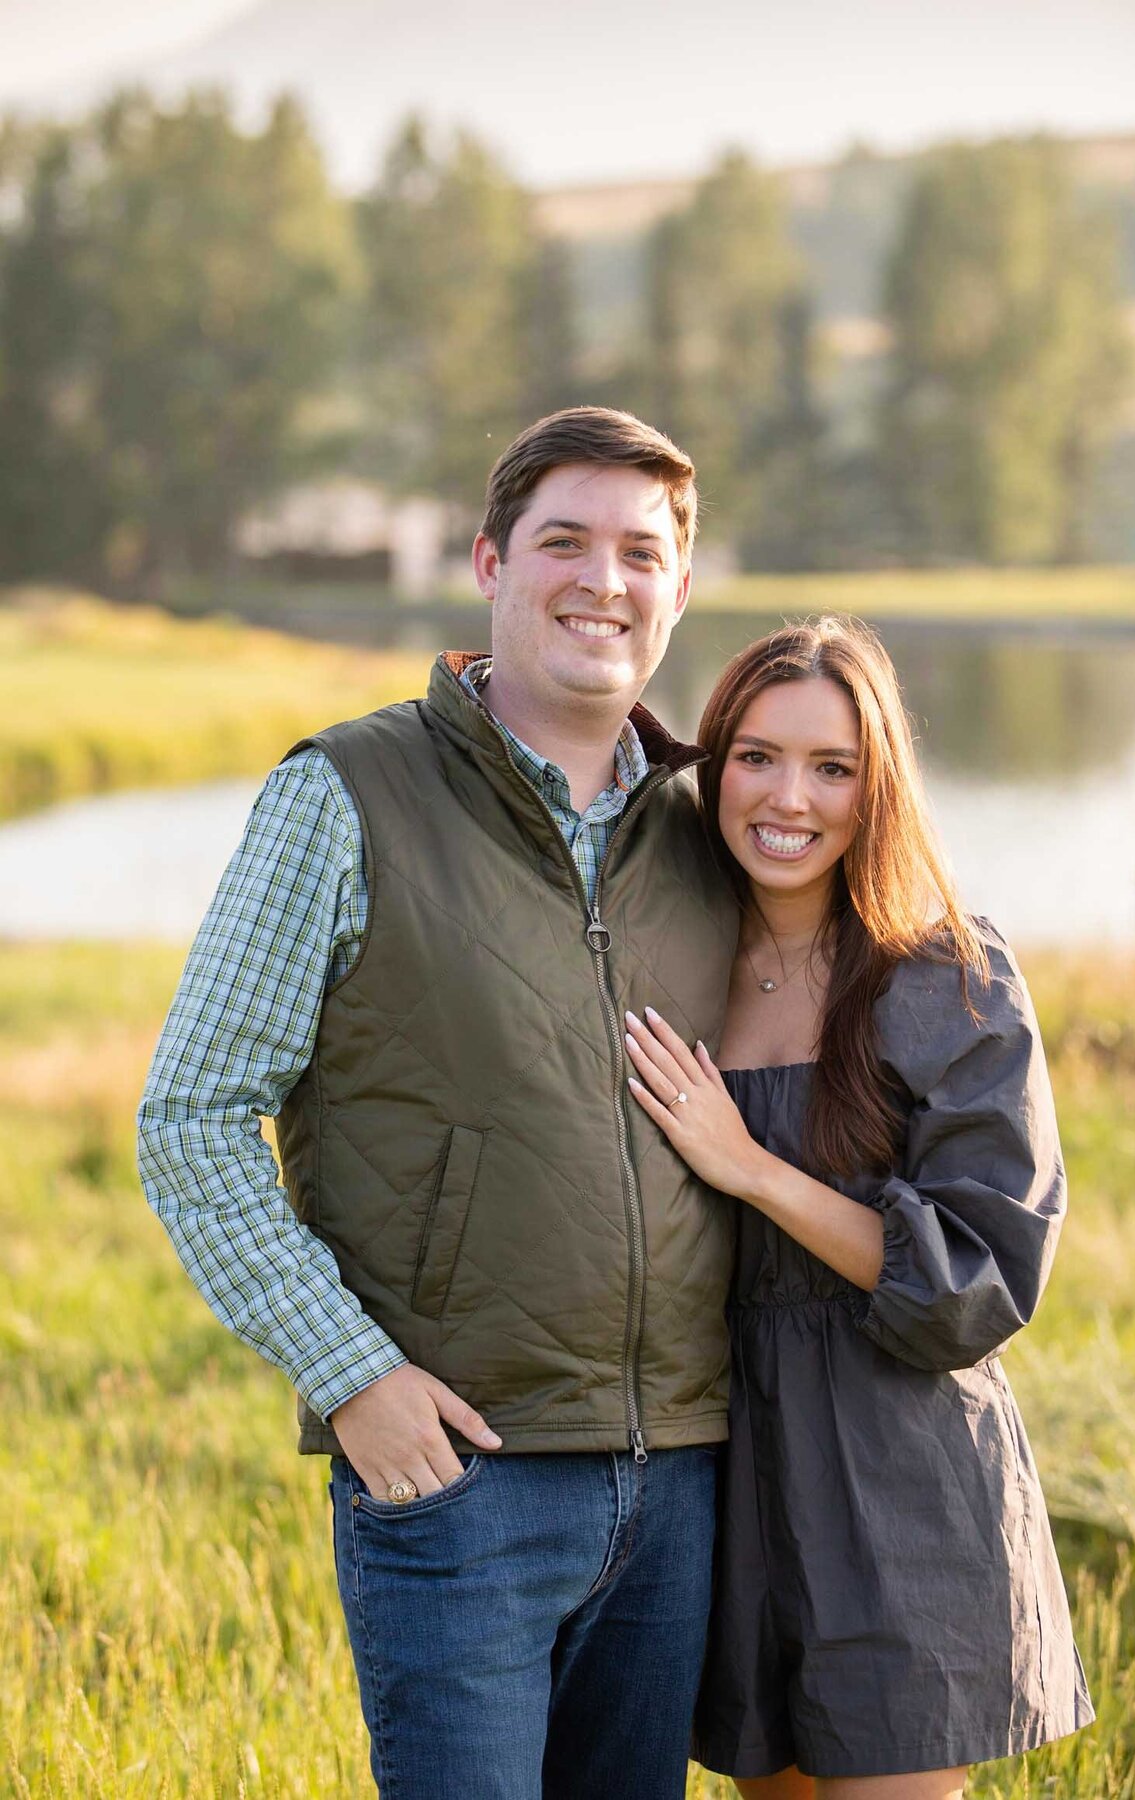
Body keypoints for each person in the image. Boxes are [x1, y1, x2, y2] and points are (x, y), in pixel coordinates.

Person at [137, 407, 742, 1800]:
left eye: (642, 552)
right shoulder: (345, 794)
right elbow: (192, 1116)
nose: (605, 580)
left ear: (682, 589)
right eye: (564, 542)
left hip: (688, 1483)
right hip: (462, 1480)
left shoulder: (711, 826)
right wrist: (351, 1376)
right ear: (487, 562)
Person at [623, 617, 1094, 1800]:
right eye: (758, 757)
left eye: (833, 767)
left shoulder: (946, 973)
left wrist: (758, 1171)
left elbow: (981, 1275)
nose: (791, 798)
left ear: (876, 787)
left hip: (899, 1470)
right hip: (721, 1468)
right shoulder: (668, 961)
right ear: (713, 764)